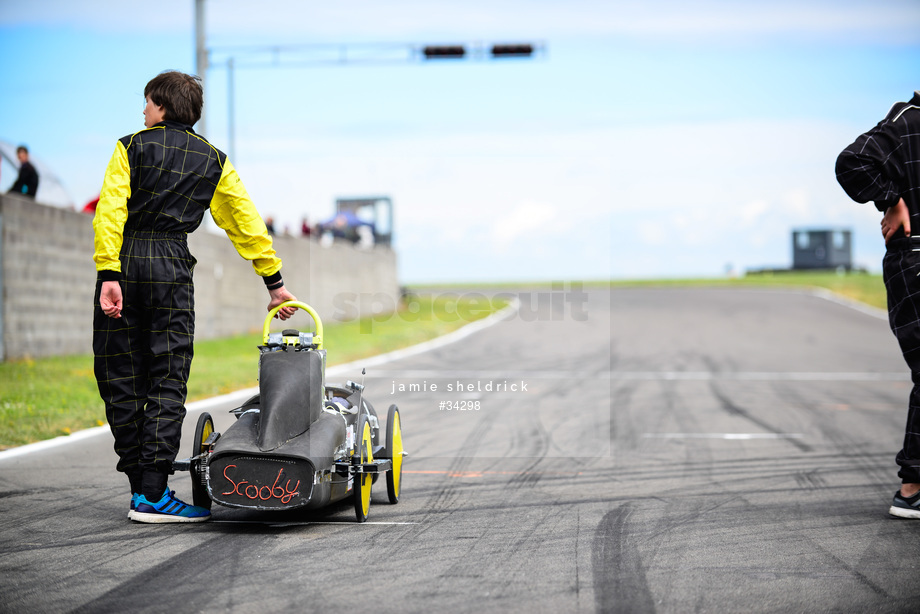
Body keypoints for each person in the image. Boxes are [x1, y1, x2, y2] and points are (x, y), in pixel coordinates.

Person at [93, 70, 297, 524]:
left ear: (162, 106)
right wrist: (274, 282)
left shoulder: (129, 146)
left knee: (120, 377)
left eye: (146, 103)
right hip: (171, 265)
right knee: (167, 377)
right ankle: (153, 492)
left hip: (125, 261)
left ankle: (140, 489)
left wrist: (109, 270)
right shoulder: (213, 160)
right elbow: (245, 223)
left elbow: (111, 210)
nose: (142, 111)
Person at [836, 90, 920, 519]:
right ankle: (912, 488)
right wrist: (890, 198)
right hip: (916, 259)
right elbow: (851, 162)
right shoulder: (909, 120)